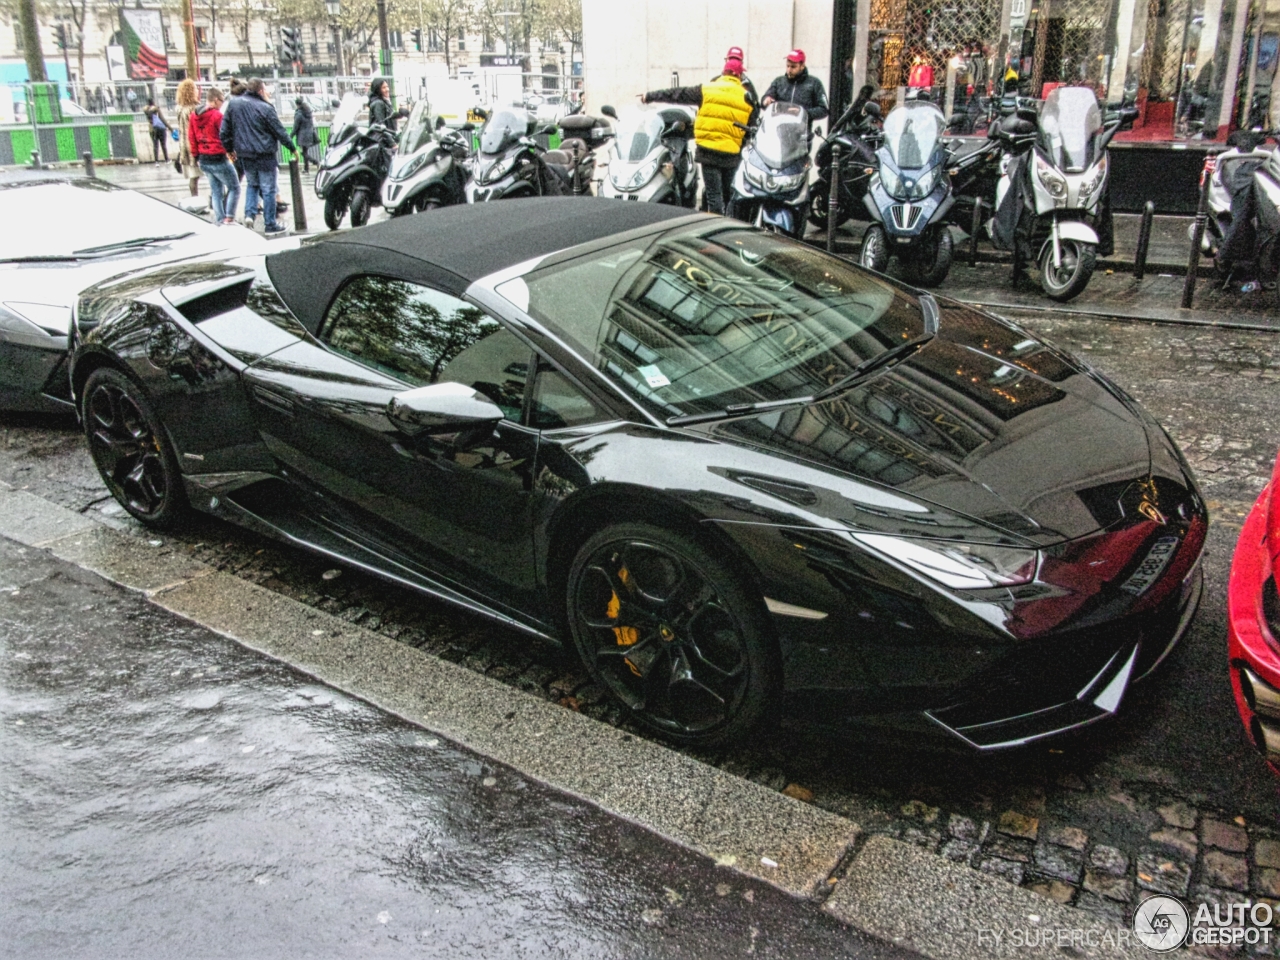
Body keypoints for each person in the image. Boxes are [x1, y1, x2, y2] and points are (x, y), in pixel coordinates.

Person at [642, 54, 756, 216]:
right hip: (731, 154)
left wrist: (650, 96)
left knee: (714, 196)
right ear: (739, 75)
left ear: (724, 72)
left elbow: (678, 94)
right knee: (728, 194)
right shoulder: (747, 96)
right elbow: (752, 126)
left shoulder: (707, 89)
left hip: (708, 151)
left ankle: (714, 227)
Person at [219, 77, 296, 235]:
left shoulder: (234, 104)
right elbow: (279, 130)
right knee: (268, 189)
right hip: (264, 153)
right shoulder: (265, 107)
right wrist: (292, 147)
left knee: (252, 185)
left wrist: (229, 149)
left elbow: (224, 130)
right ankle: (270, 223)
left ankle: (249, 215)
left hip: (244, 153)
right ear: (260, 91)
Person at [190, 87, 240, 224]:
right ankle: (229, 217)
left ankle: (220, 219)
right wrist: (230, 151)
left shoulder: (194, 116)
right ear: (216, 100)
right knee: (234, 187)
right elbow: (224, 135)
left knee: (216, 190)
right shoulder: (217, 116)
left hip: (203, 158)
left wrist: (196, 156)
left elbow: (192, 137)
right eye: (222, 101)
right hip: (218, 157)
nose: (222, 104)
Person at [761, 49, 828, 133]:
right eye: (787, 66)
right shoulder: (779, 82)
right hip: (779, 135)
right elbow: (766, 98)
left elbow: (823, 109)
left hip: (802, 137)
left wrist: (803, 113)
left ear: (802, 66)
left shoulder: (814, 83)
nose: (789, 70)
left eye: (793, 67)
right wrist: (766, 100)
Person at [175, 78, 201, 197]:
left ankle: (194, 198)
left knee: (193, 176)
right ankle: (197, 200)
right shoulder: (194, 109)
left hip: (183, 144)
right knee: (197, 175)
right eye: (195, 88)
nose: (197, 90)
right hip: (194, 144)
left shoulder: (179, 108)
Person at [291, 97, 319, 172]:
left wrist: (291, 136)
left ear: (297, 104)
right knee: (305, 151)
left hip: (302, 136)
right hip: (309, 135)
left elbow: (295, 127)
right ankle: (306, 168)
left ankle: (315, 162)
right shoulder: (308, 112)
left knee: (303, 152)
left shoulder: (299, 114)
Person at [143, 98, 171, 163]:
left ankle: (156, 161)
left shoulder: (146, 110)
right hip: (160, 128)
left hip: (152, 129)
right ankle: (167, 159)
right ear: (153, 102)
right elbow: (162, 119)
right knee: (163, 144)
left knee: (155, 145)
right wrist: (170, 128)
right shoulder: (156, 109)